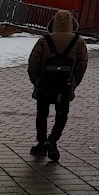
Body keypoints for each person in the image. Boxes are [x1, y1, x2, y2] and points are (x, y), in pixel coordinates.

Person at [27, 9, 89, 162]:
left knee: (42, 114)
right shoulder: (78, 41)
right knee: (61, 115)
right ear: (72, 24)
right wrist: (73, 83)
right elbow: (82, 65)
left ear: (53, 23)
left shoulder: (44, 40)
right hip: (65, 85)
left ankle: (41, 143)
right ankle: (53, 140)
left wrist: (37, 81)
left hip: (45, 84)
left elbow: (33, 63)